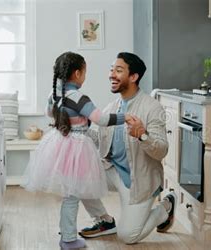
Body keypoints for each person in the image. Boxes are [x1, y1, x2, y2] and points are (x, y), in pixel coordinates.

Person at [21, 51, 131, 249]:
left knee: (81, 186)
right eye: (85, 72)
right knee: (72, 195)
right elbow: (102, 120)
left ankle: (104, 219)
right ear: (78, 73)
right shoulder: (79, 97)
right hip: (77, 147)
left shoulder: (54, 95)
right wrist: (126, 117)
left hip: (59, 144)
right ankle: (68, 238)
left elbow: (49, 113)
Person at [80, 52, 177, 244]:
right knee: (77, 176)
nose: (111, 75)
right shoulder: (112, 107)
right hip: (112, 170)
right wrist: (78, 128)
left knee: (128, 236)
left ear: (133, 77)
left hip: (138, 180)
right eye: (111, 70)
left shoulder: (152, 108)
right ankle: (104, 221)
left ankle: (165, 207)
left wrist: (143, 135)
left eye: (118, 70)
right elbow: (101, 141)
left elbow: (162, 151)